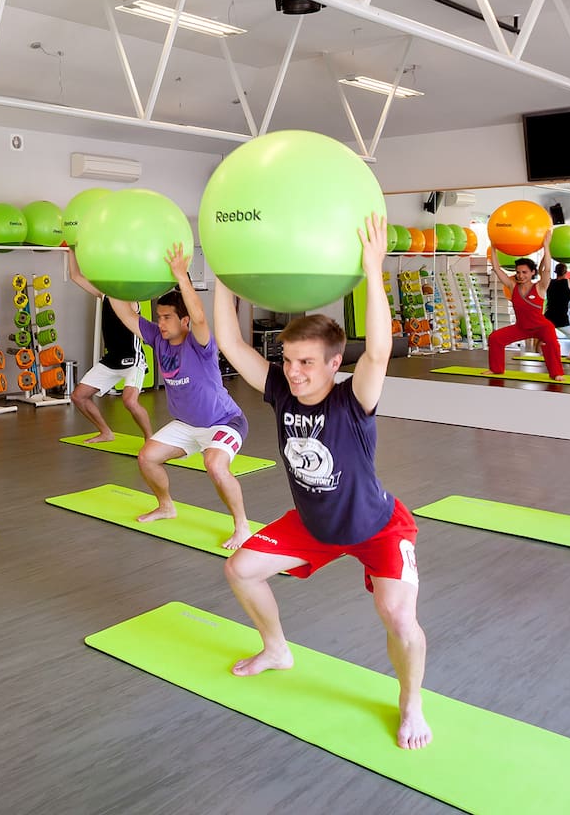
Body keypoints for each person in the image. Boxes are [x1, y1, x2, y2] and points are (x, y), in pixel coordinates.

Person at [212, 214, 431, 750]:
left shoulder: (352, 401)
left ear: (335, 363)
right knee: (240, 568)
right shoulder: (281, 392)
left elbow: (378, 352)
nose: (293, 371)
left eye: (306, 362)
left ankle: (411, 702)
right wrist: (222, 271)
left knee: (398, 618)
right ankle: (276, 649)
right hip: (314, 524)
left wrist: (373, 271)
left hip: (377, 527)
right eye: (288, 360)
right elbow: (229, 342)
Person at [107, 244, 252, 550]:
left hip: (224, 422)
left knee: (214, 465)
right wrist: (112, 277)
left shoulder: (200, 343)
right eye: (159, 317)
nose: (160, 323)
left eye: (167, 317)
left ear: (183, 321)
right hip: (186, 424)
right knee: (147, 457)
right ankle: (165, 506)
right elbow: (123, 312)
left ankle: (242, 527)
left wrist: (180, 276)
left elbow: (199, 316)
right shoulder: (158, 339)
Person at [65, 251, 154, 443]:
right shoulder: (105, 294)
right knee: (78, 397)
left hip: (133, 360)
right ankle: (106, 432)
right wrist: (71, 250)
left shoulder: (131, 297)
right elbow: (75, 276)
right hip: (111, 359)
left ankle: (150, 440)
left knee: (130, 401)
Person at [487, 257, 565, 380]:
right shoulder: (513, 286)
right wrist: (493, 246)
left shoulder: (540, 287)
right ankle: (496, 369)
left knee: (552, 344)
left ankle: (557, 373)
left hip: (542, 327)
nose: (520, 275)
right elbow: (496, 269)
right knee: (495, 338)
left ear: (533, 272)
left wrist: (546, 247)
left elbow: (547, 270)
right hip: (521, 327)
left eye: (524, 272)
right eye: (518, 272)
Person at [544, 262, 570, 330]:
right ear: (566, 272)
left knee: (542, 338)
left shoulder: (549, 282)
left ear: (555, 272)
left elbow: (542, 271)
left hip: (548, 317)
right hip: (562, 320)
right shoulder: (569, 282)